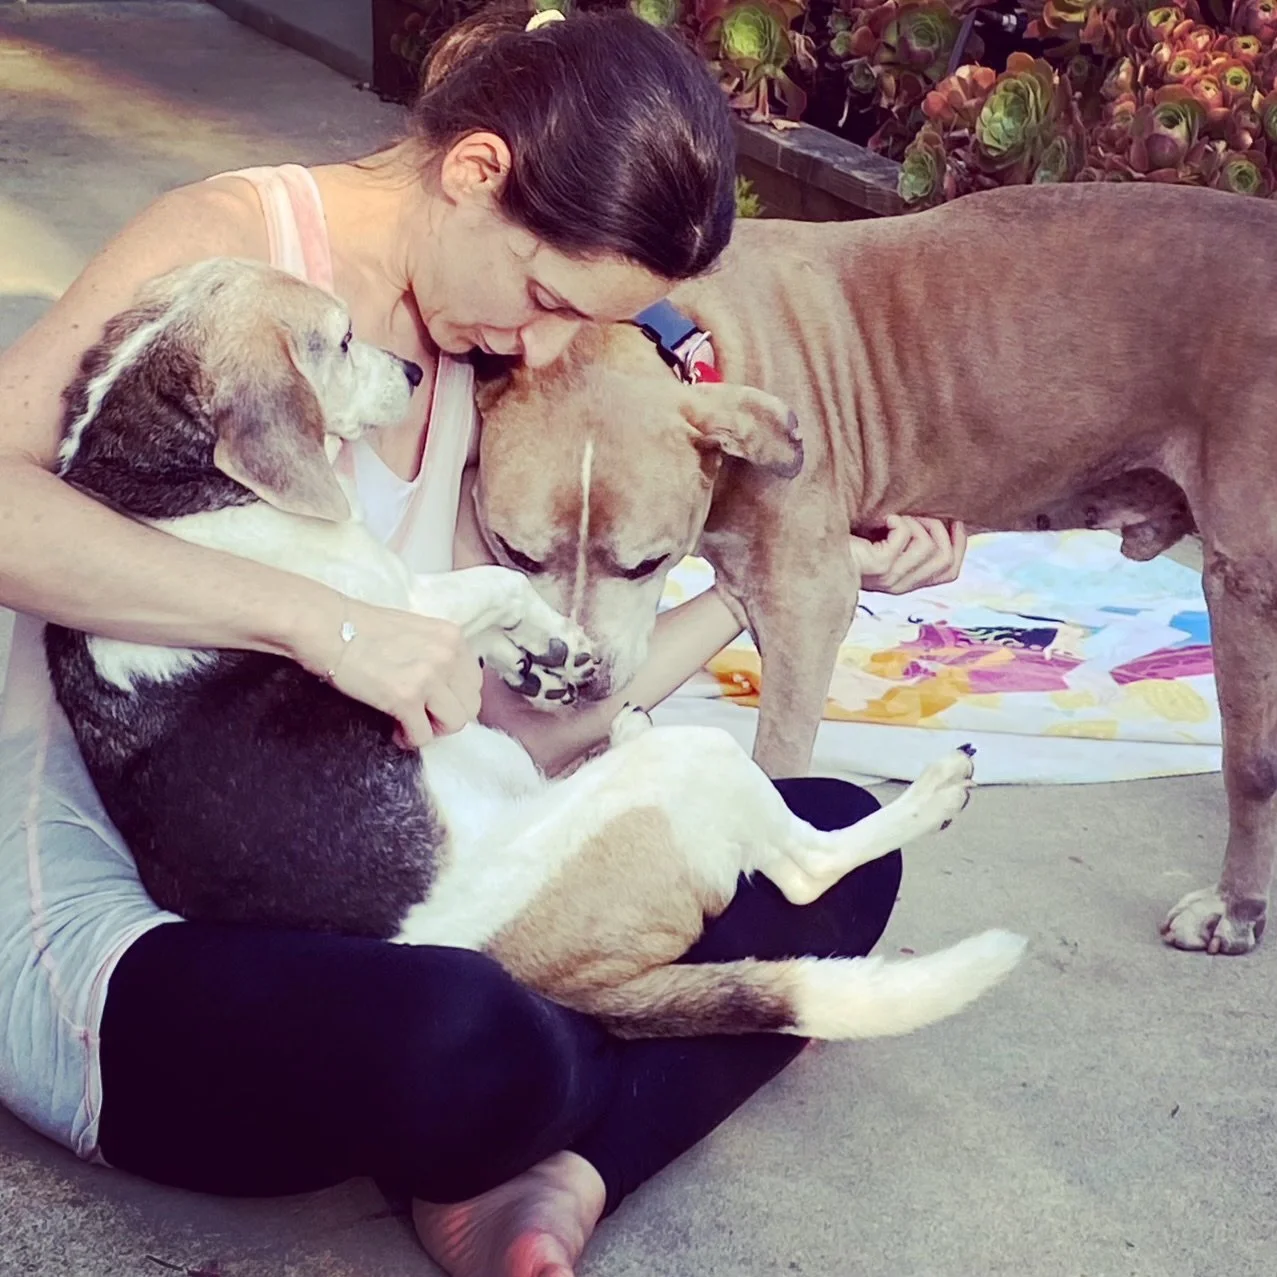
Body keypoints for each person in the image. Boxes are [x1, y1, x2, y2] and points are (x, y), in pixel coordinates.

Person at [0, 9, 966, 1276]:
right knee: (460, 1031)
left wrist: (779, 579)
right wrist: (324, 624)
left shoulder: (461, 359)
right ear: (472, 175)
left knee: (827, 845)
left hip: (381, 882)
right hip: (128, 924)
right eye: (547, 297)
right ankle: (548, 1118)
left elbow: (522, 722)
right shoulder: (234, 255)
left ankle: (557, 1162)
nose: (546, 349)